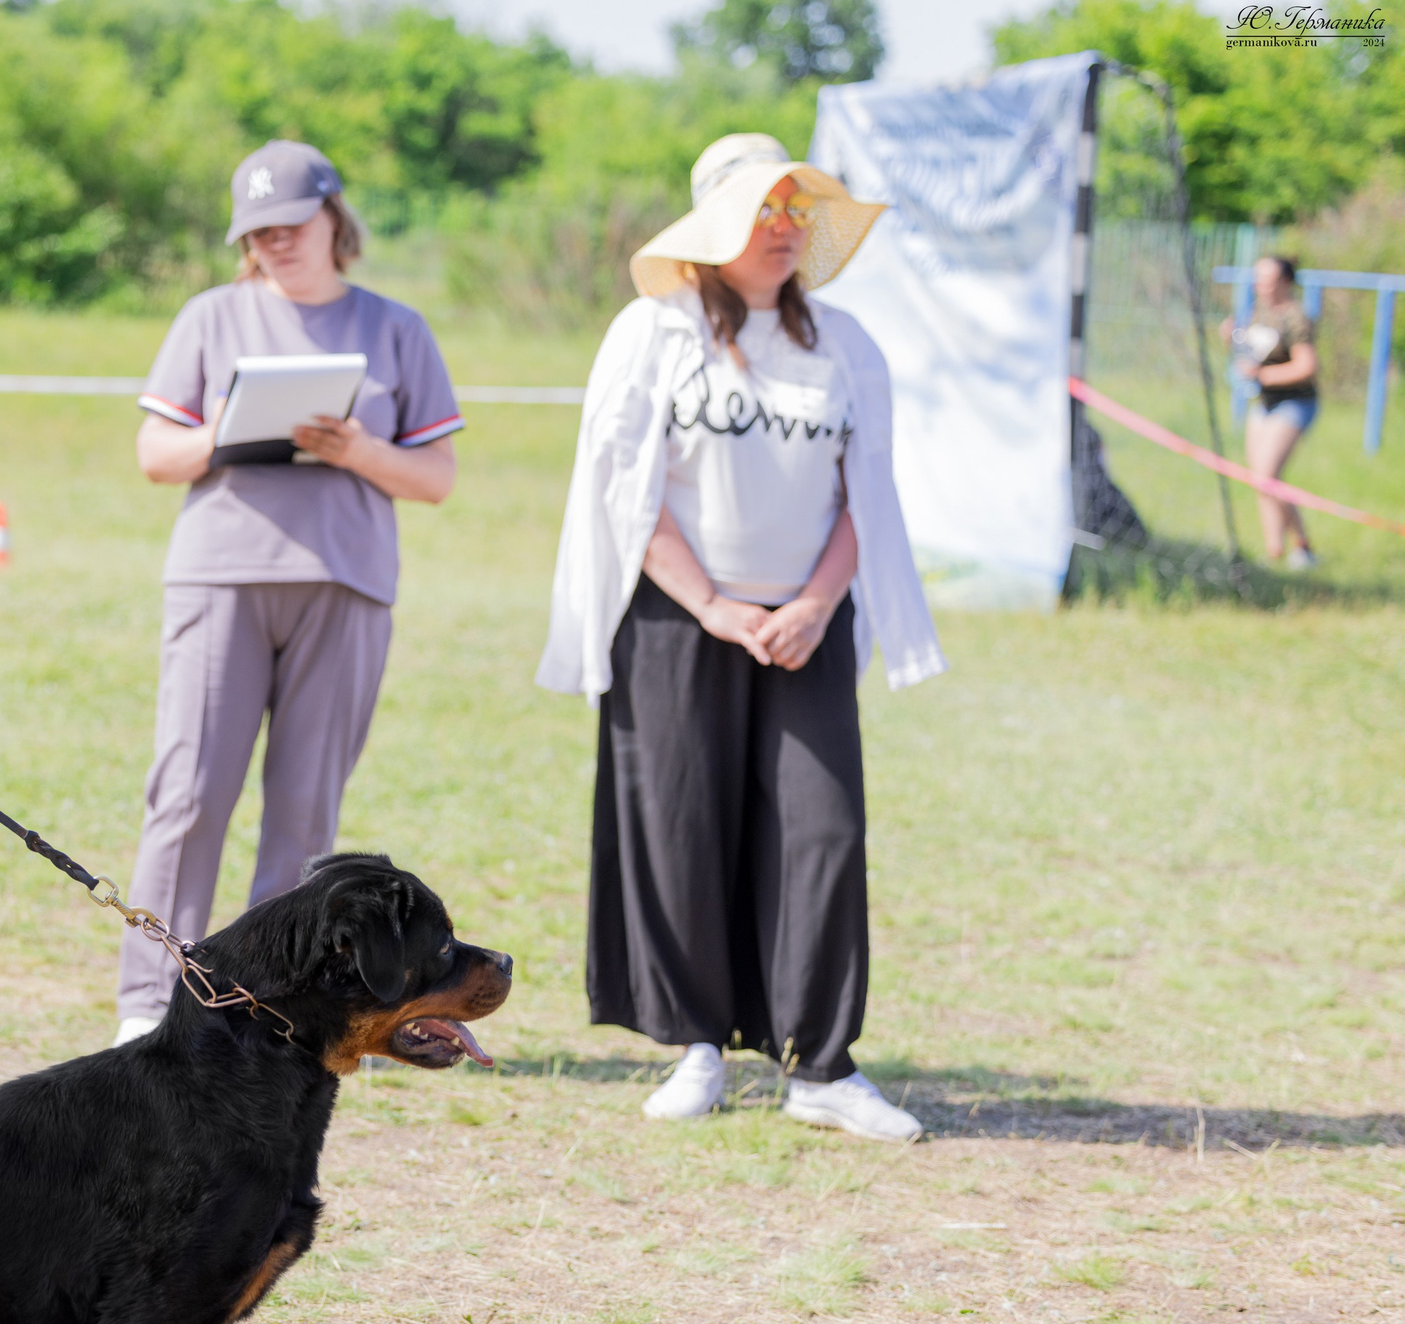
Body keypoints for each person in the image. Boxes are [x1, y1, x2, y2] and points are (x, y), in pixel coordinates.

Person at [535, 134, 944, 1140]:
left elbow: (868, 497)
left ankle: (819, 1066)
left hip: (807, 619)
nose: (783, 230)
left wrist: (812, 603)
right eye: (762, 213)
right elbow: (624, 495)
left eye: (794, 213)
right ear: (713, 229)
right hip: (680, 620)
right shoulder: (652, 333)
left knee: (822, 829)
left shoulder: (845, 344)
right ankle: (697, 1048)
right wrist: (713, 605)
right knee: (683, 828)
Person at [114, 140, 462, 1043]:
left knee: (306, 813)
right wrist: (225, 432)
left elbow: (436, 477)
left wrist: (358, 450)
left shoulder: (397, 329)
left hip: (345, 585)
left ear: (334, 218)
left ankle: (270, 1007)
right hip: (222, 574)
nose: (275, 244)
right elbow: (157, 455)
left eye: (290, 225)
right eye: (257, 232)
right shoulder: (208, 319)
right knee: (188, 792)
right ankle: (149, 1001)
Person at [1222, 255, 1320, 568]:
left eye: (1267, 278)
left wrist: (1263, 376)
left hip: (1294, 402)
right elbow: (1253, 353)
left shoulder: (1296, 318)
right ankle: (1274, 551)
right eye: (1258, 277)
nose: (1260, 284)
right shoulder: (1258, 312)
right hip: (1264, 402)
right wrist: (1231, 338)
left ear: (1285, 281)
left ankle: (1302, 548)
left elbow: (1306, 366)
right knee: (1260, 480)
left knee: (1267, 475)